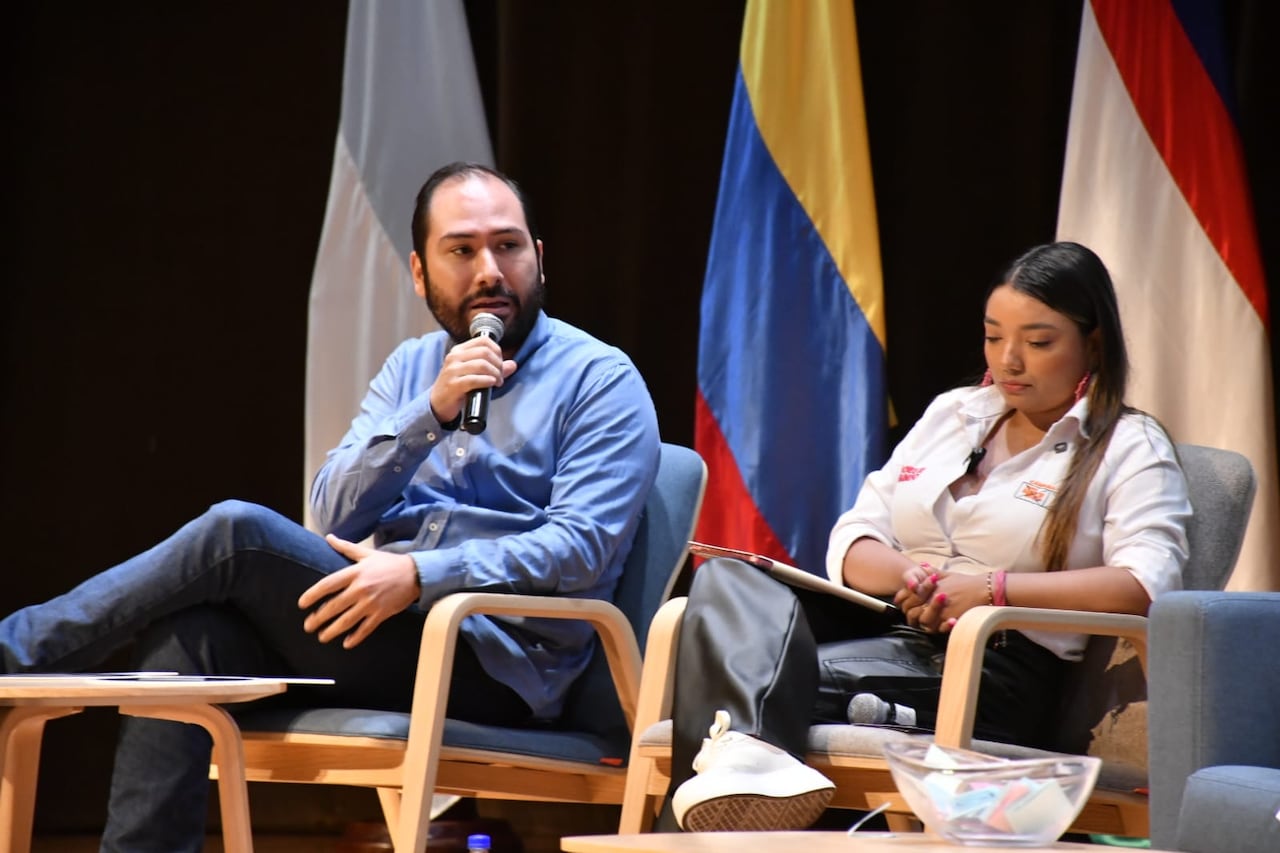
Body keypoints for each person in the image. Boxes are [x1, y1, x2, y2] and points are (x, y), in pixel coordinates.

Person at [0, 162, 661, 852]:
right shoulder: (413, 369)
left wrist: (420, 574)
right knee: (189, 638)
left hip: (495, 662)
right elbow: (334, 513)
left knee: (237, 532)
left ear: (539, 258)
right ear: (419, 271)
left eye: (509, 246)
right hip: (387, 630)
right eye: (462, 251)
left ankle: (24, 648)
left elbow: (580, 546)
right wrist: (429, 414)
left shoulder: (600, 380)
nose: (491, 270)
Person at [665, 241, 1191, 832]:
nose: (1010, 360)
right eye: (994, 337)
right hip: (890, 624)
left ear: (1093, 342)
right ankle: (747, 775)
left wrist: (992, 591)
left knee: (732, 690)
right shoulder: (955, 413)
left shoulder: (1129, 445)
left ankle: (710, 807)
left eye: (1039, 342)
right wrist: (908, 577)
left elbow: (1146, 583)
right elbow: (857, 535)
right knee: (730, 577)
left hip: (993, 664)